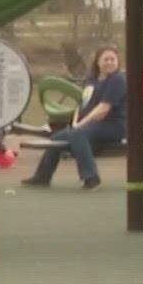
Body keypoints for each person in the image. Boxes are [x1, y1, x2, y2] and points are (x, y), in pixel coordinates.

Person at [22, 46, 125, 190]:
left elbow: (103, 109)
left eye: (112, 59)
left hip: (113, 126)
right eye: (105, 59)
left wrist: (81, 125)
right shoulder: (92, 80)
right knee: (57, 137)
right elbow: (82, 103)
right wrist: (75, 122)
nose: (109, 62)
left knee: (78, 134)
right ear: (97, 62)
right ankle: (42, 177)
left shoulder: (117, 80)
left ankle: (91, 177)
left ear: (118, 61)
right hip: (91, 126)